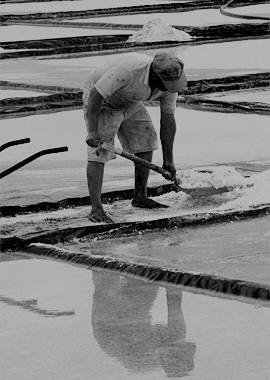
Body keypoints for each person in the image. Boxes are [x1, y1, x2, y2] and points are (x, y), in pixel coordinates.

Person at [83, 51, 187, 223]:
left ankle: (140, 196)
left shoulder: (170, 84)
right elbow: (96, 95)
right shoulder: (127, 71)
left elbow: (168, 119)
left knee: (146, 140)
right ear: (154, 75)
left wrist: (169, 160)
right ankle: (96, 209)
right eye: (166, 83)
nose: (170, 87)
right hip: (102, 102)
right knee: (98, 153)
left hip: (130, 101)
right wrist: (93, 131)